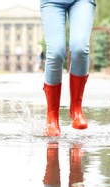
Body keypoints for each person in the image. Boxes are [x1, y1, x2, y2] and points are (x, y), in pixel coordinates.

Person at [40, 0, 96, 136]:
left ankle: (76, 108)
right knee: (55, 53)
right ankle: (52, 116)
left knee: (80, 48)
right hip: (52, 2)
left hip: (82, 2)